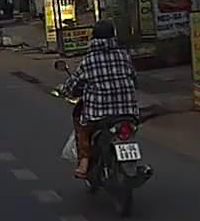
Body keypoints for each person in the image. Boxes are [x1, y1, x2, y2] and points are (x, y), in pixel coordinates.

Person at [59, 20, 140, 180]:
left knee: (82, 127)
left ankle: (84, 162)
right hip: (128, 112)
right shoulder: (124, 56)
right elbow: (135, 80)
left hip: (99, 114)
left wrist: (64, 90)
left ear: (93, 37)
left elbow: (73, 83)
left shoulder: (89, 60)